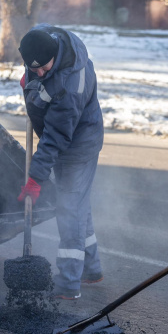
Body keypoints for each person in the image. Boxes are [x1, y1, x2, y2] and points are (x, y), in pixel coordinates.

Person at [16, 24, 104, 300]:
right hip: (68, 138)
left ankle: (68, 284)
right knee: (77, 204)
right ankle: (92, 269)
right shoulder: (44, 40)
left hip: (78, 146)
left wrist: (35, 179)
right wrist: (30, 82)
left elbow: (55, 138)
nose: (40, 72)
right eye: (34, 68)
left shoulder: (69, 86)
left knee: (69, 210)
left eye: (43, 67)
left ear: (55, 55)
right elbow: (38, 64)